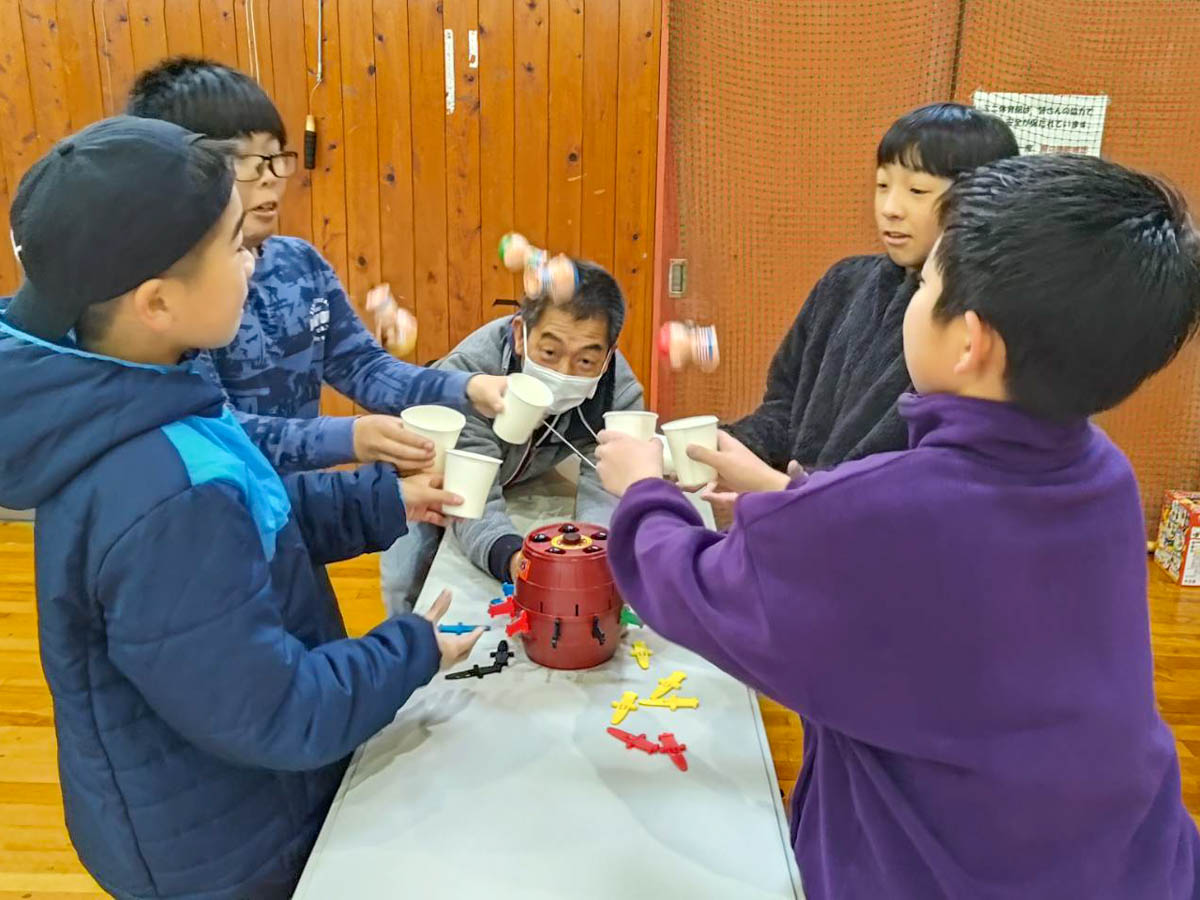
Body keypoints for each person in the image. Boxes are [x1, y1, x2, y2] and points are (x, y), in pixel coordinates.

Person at [595, 154, 1200, 898]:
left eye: (927, 286)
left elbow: (693, 591)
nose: (913, 300)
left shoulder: (884, 515)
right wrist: (793, 493)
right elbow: (935, 571)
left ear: (971, 342)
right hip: (1130, 859)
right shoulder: (1103, 475)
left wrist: (642, 491)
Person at [0, 117, 481, 899]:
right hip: (226, 847)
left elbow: (252, 522)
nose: (254, 264)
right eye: (235, 247)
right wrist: (414, 648)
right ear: (156, 302)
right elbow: (280, 715)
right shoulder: (158, 490)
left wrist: (382, 501)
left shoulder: (147, 393)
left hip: (236, 798)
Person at [126, 57, 506, 473]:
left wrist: (468, 387)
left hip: (307, 504)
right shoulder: (170, 295)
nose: (269, 177)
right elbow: (214, 429)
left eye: (274, 158)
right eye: (244, 162)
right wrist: (351, 437)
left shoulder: (300, 263)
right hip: (223, 506)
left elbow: (362, 366)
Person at [722, 102, 1018, 481]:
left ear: (979, 201)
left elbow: (931, 479)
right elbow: (783, 407)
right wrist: (733, 444)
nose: (891, 208)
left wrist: (795, 491)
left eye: (917, 189)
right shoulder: (843, 283)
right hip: (801, 517)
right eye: (882, 185)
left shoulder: (984, 321)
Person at [380, 261, 644, 614]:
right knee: (405, 575)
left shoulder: (617, 390)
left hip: (518, 466)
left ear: (608, 356)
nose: (563, 372)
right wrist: (513, 555)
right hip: (425, 466)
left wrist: (588, 556)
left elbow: (606, 486)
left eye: (585, 360)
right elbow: (469, 499)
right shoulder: (468, 374)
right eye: (549, 353)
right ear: (520, 334)